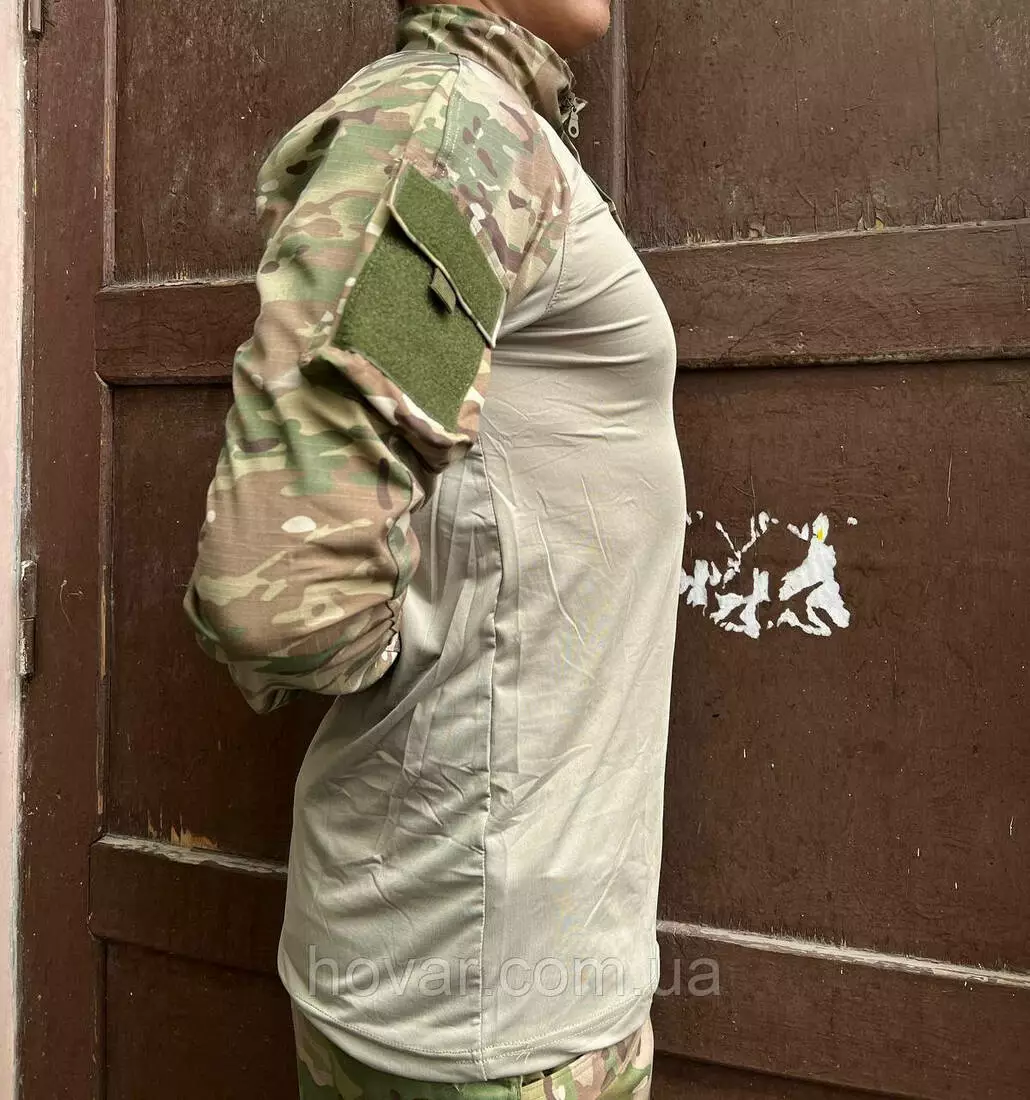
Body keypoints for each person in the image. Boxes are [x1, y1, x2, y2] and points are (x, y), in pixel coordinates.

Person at [183, 2, 686, 1098]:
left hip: (508, 967)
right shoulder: (456, 129)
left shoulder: (497, 130)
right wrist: (442, 683)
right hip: (480, 999)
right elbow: (278, 597)